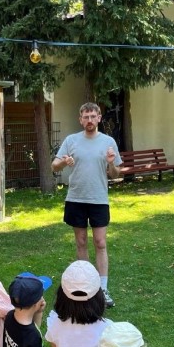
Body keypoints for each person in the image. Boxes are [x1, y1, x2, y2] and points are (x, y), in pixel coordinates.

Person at [52, 102, 123, 308]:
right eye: (86, 117)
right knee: (81, 242)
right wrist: (64, 162)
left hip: (99, 199)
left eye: (93, 116)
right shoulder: (71, 140)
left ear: (99, 118)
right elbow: (54, 166)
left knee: (100, 243)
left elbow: (116, 173)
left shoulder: (108, 142)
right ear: (80, 119)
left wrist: (111, 162)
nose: (89, 120)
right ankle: (85, 285)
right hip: (76, 198)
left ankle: (103, 288)